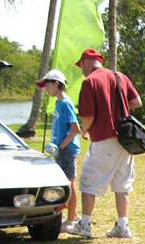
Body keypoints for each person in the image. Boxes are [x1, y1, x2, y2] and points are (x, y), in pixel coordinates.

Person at [68, 48, 143, 239]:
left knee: (89, 182)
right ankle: (122, 225)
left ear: (86, 62)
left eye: (81, 65)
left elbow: (88, 116)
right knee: (122, 184)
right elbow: (137, 102)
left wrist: (84, 129)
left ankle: (84, 224)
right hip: (126, 139)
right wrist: (118, 107)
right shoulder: (120, 77)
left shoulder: (90, 82)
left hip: (104, 137)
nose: (81, 70)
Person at [37, 68, 81, 231]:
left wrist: (61, 146)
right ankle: (73, 214)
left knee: (69, 183)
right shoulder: (58, 102)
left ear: (56, 84)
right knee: (64, 183)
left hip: (66, 150)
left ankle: (70, 221)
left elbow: (75, 128)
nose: (46, 89)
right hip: (59, 149)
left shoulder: (65, 103)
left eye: (48, 85)